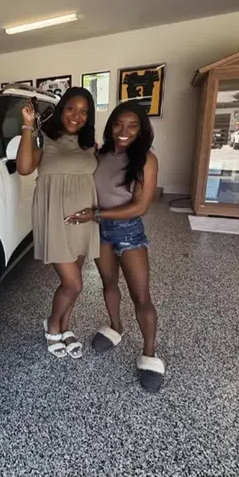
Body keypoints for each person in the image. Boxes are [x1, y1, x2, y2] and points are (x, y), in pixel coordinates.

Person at [66, 101, 164, 392]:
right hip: (100, 230)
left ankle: (149, 354)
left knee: (141, 297)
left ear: (141, 129)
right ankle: (115, 327)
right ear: (110, 127)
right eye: (119, 124)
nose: (124, 131)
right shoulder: (100, 154)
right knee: (108, 284)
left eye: (132, 126)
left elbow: (141, 206)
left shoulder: (146, 159)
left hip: (128, 230)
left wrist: (97, 214)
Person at [17, 88, 99, 359]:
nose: (77, 116)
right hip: (55, 219)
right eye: (71, 108)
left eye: (84, 111)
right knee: (74, 284)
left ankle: (66, 327)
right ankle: (52, 324)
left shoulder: (90, 144)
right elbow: (24, 168)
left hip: (83, 221)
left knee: (72, 282)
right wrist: (28, 125)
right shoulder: (45, 138)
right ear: (61, 109)